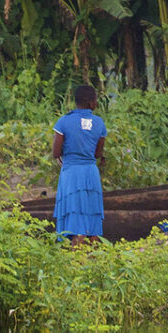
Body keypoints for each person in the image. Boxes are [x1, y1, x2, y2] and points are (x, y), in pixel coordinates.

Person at [51, 85, 108, 244]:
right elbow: (98, 154)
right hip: (91, 173)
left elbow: (56, 153)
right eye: (96, 100)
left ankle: (74, 256)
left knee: (74, 216)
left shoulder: (64, 122)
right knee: (92, 217)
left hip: (71, 174)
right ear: (90, 102)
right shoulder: (99, 123)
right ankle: (91, 260)